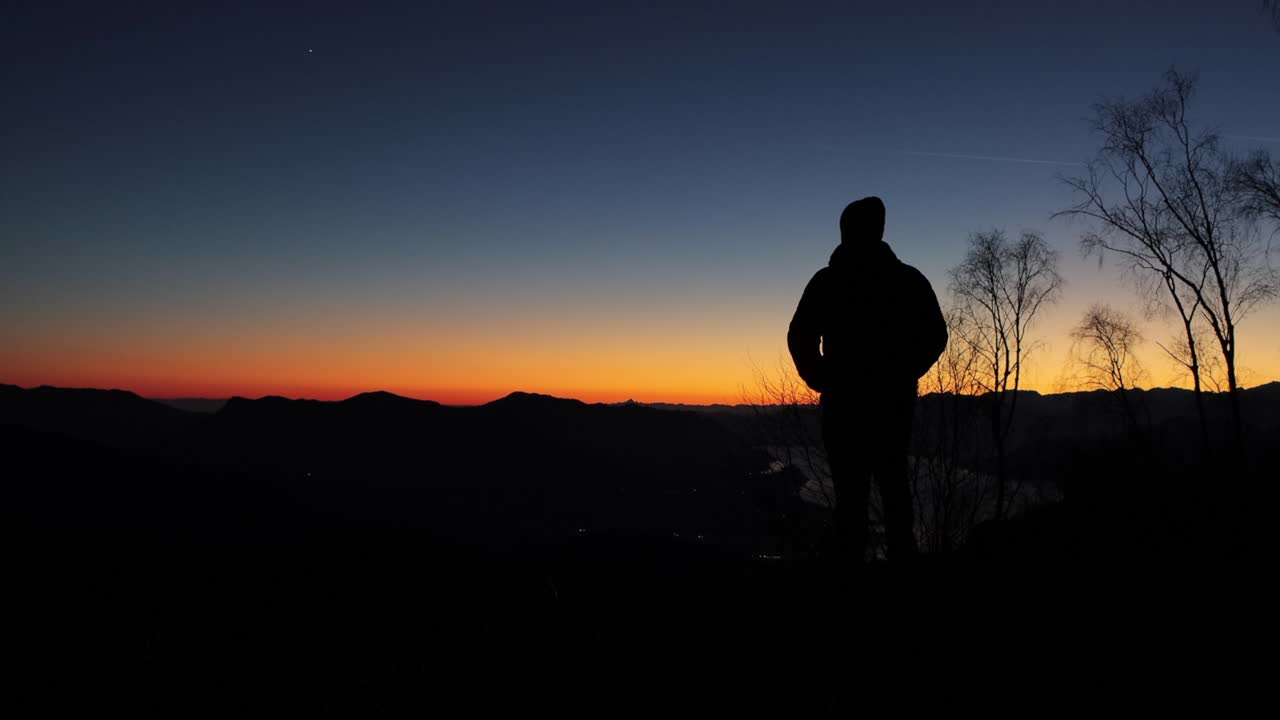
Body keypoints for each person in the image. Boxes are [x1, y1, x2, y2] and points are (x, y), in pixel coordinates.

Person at [787, 196, 947, 563]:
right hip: (888, 404)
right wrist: (904, 371)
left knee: (854, 497)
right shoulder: (906, 280)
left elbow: (800, 336)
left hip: (848, 406)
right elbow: (935, 334)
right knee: (891, 491)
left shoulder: (829, 282)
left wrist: (824, 378)